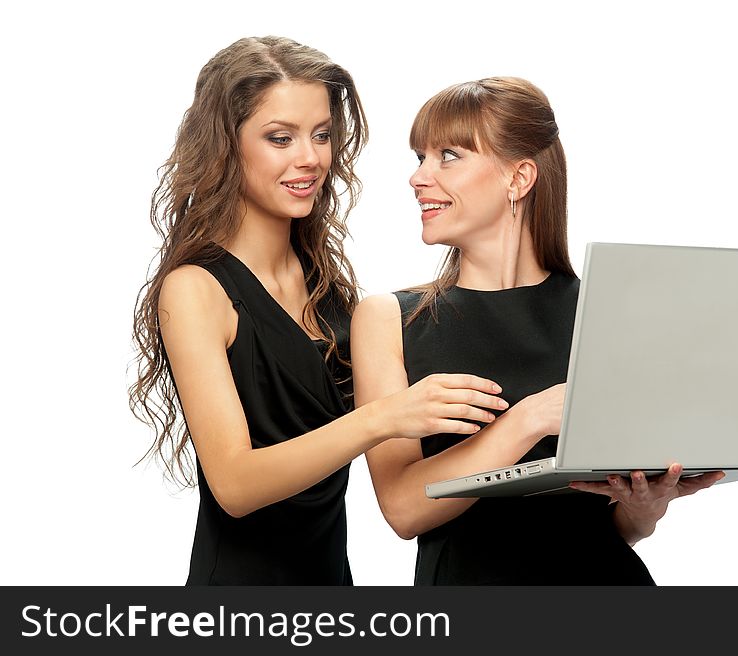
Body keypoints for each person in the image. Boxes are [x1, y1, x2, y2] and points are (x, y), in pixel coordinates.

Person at [129, 36, 505, 585]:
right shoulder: (196, 289)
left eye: (322, 135)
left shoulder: (326, 284)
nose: (310, 158)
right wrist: (384, 417)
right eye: (280, 138)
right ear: (225, 146)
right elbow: (234, 485)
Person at [351, 77, 724, 585]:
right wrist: (527, 419)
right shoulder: (389, 319)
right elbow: (402, 509)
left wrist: (643, 508)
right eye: (420, 157)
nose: (419, 177)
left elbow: (610, 525)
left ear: (519, 177)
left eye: (448, 155)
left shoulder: (607, 314)